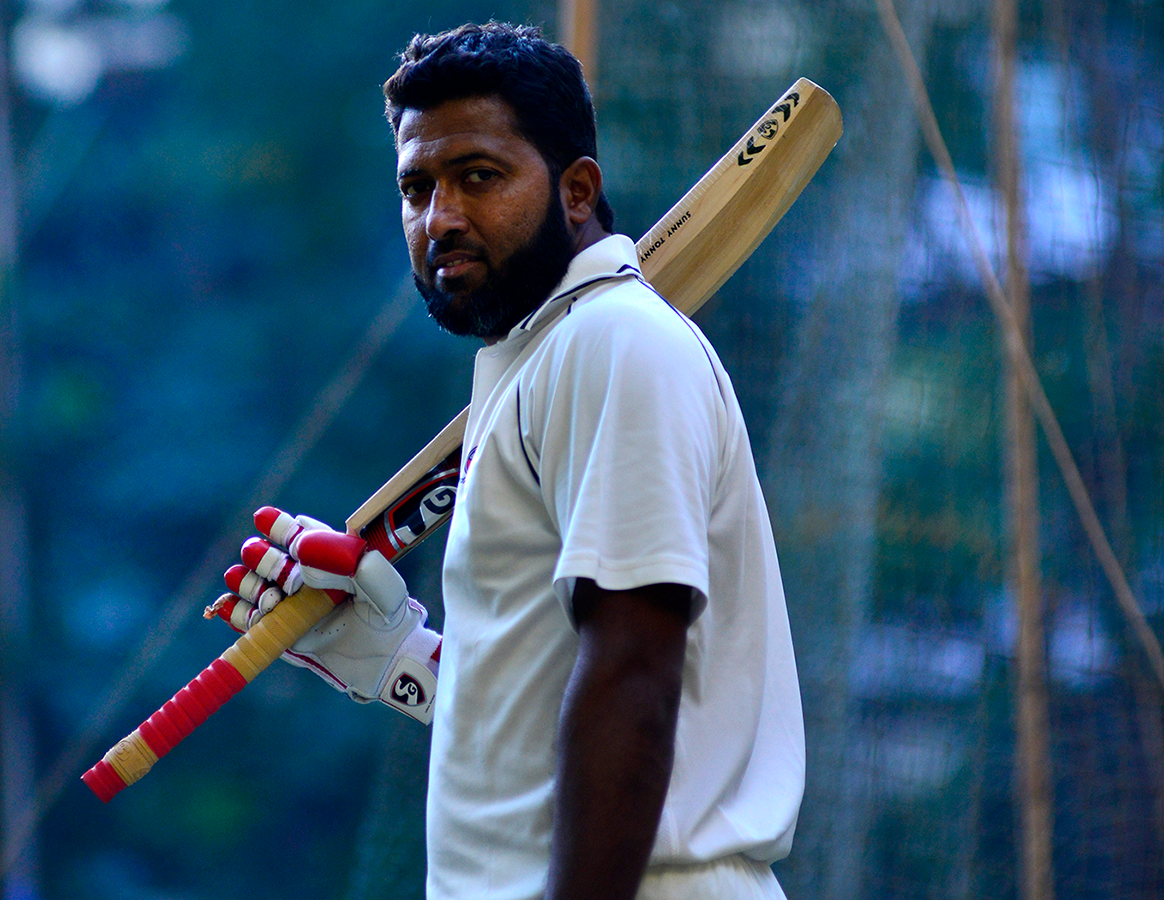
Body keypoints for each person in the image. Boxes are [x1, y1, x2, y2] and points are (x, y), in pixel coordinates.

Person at [214, 21, 804, 900]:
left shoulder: (613, 341)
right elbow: (554, 710)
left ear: (577, 191)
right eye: (417, 188)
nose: (441, 217)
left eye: (478, 177)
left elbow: (635, 678)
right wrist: (399, 660)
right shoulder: (542, 361)